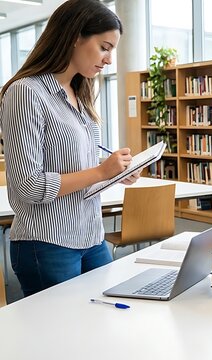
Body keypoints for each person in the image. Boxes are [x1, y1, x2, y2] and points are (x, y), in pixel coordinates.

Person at [0, 0, 137, 297]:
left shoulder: (79, 93)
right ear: (76, 36)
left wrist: (113, 171)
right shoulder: (25, 92)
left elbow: (73, 163)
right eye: (104, 47)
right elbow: (29, 186)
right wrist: (101, 170)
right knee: (60, 338)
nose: (109, 59)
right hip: (47, 242)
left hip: (91, 235)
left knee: (101, 327)